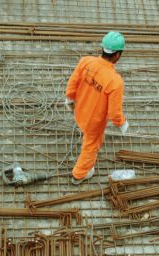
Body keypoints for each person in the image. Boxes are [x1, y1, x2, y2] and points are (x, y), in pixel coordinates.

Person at [65, 31, 129, 185]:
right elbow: (114, 113)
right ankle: (79, 174)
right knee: (91, 146)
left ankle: (81, 169)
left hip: (79, 110)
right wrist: (122, 124)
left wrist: (69, 98)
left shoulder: (85, 61)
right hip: (94, 122)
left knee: (87, 136)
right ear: (118, 55)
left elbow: (72, 82)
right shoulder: (115, 81)